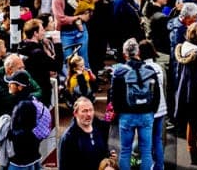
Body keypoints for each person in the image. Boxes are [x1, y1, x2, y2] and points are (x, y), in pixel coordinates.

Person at [111, 37, 159, 170]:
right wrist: (152, 110)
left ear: (124, 54)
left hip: (126, 115)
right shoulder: (149, 70)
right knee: (146, 151)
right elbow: (157, 94)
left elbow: (114, 96)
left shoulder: (119, 72)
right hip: (146, 114)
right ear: (138, 52)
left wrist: (119, 111)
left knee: (125, 151)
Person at [59, 96, 112, 170]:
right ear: (75, 113)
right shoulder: (69, 137)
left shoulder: (101, 128)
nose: (89, 114)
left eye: (91, 110)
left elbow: (105, 154)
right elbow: (64, 166)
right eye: (84, 111)